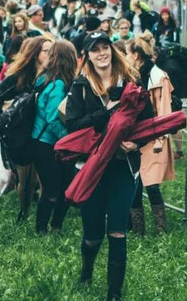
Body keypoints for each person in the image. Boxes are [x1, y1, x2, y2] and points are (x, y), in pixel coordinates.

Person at [64, 31, 154, 300]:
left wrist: (136, 143)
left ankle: (114, 294)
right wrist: (107, 110)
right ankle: (87, 270)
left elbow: (148, 121)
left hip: (122, 167)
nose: (101, 53)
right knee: (93, 233)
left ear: (112, 51)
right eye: (95, 50)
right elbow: (73, 125)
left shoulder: (131, 82)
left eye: (105, 47)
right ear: (87, 56)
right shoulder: (81, 86)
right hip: (90, 167)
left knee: (117, 230)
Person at [0, 36, 52, 222]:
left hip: (45, 133)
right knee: (26, 181)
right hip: (23, 135)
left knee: (45, 179)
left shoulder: (54, 77)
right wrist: (4, 122)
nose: (50, 55)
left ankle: (43, 218)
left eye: (52, 51)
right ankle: (23, 215)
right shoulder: (22, 76)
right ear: (35, 54)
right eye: (46, 51)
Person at [125, 31, 175, 236]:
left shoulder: (158, 77)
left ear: (136, 55)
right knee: (134, 184)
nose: (126, 57)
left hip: (154, 137)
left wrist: (161, 139)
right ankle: (138, 230)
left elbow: (164, 111)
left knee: (152, 185)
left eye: (127, 54)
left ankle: (161, 229)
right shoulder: (130, 76)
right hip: (134, 137)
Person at [31, 40, 78, 234]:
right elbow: (52, 119)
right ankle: (43, 229)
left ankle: (53, 227)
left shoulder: (47, 79)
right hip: (47, 144)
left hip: (46, 142)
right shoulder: (57, 85)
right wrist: (69, 140)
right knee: (53, 191)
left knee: (62, 189)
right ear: (68, 59)